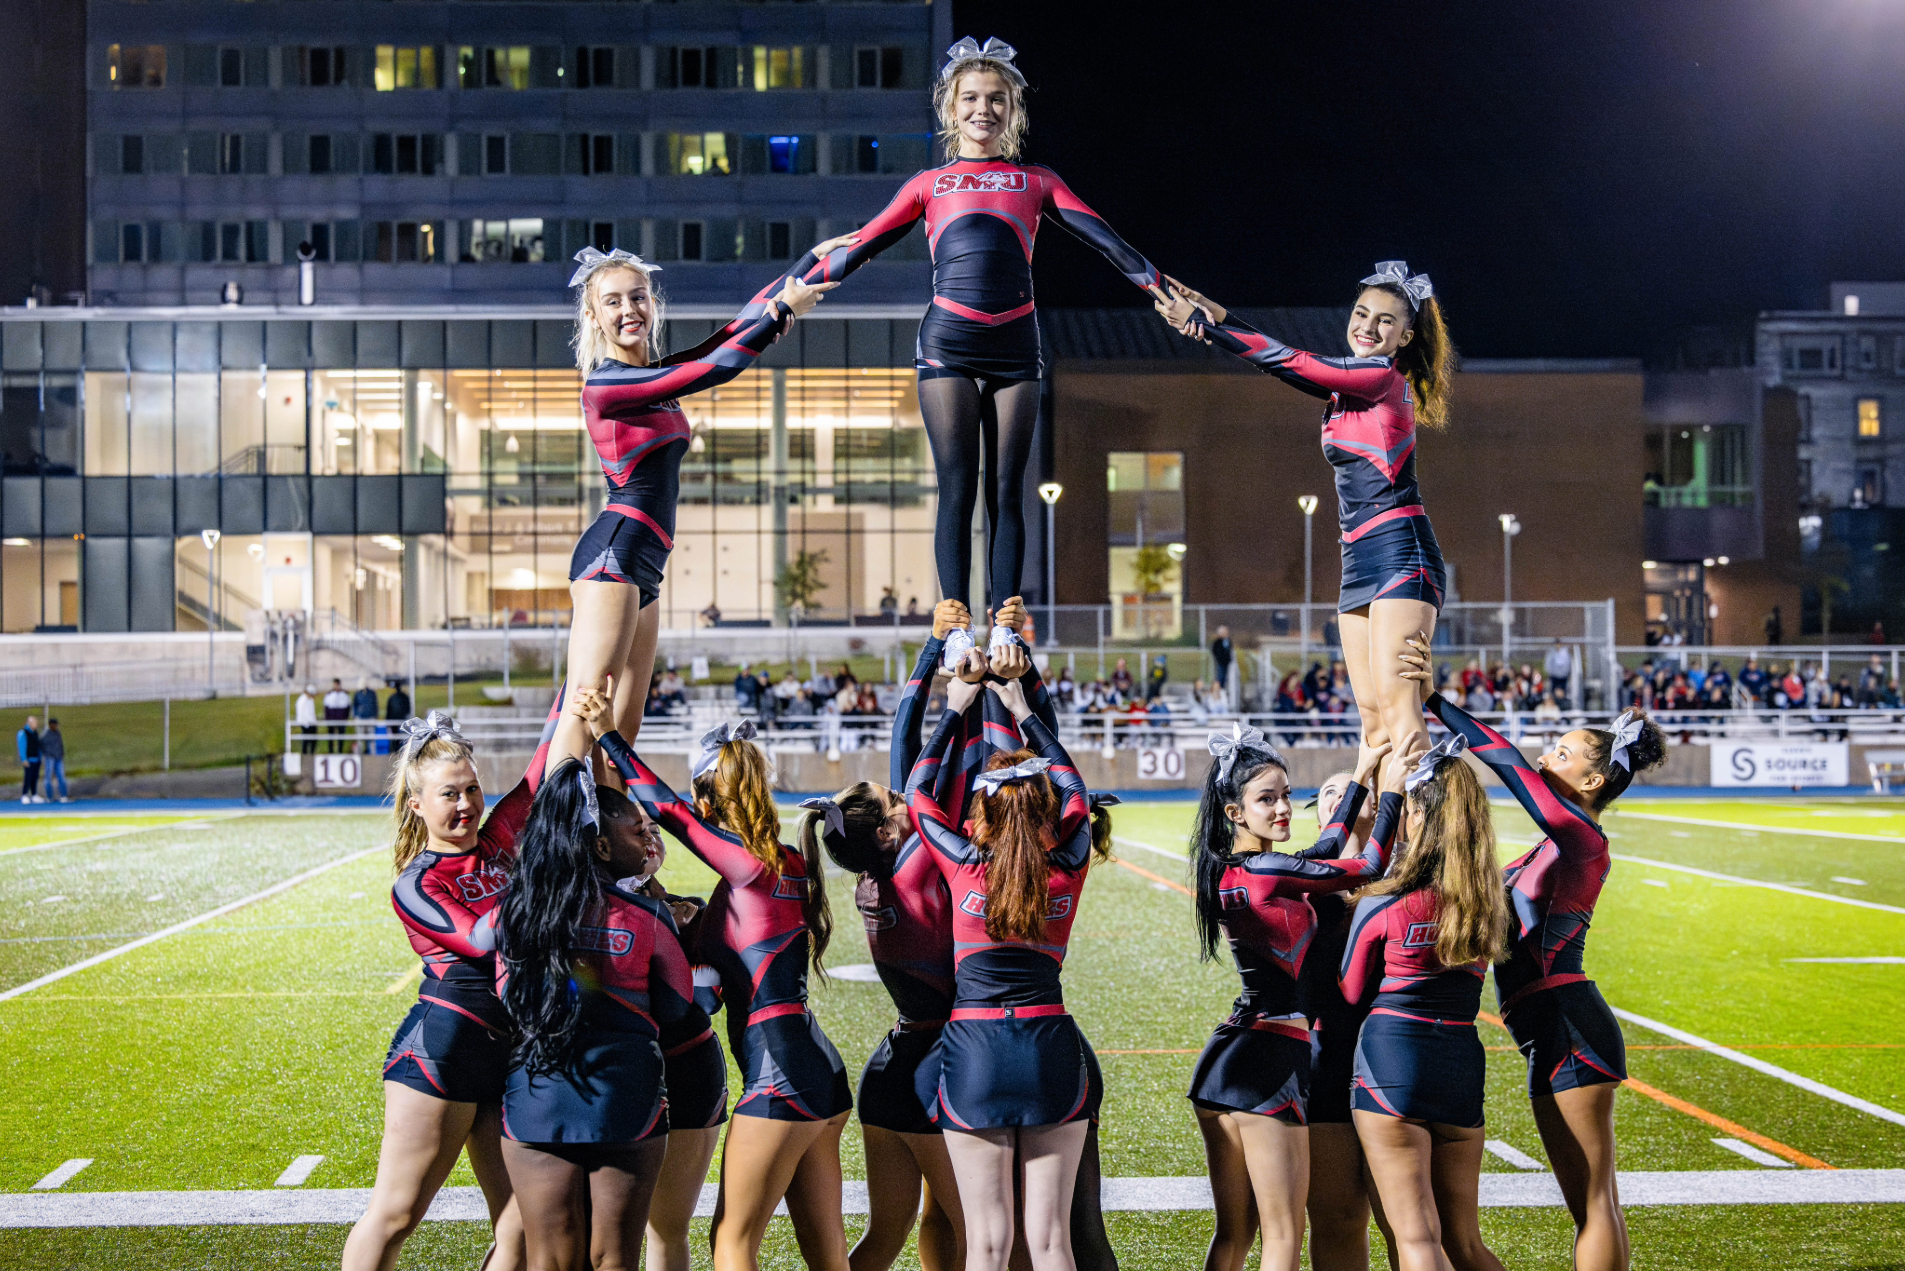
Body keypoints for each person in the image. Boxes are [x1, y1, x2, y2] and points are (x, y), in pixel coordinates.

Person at [782, 36, 1167, 667]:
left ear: (1013, 110)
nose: (982, 110)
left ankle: (1006, 626)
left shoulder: (1035, 181)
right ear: (950, 109)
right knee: (957, 484)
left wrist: (1161, 290)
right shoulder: (930, 183)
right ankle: (956, 623)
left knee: (1007, 488)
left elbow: (1108, 241)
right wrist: (802, 290)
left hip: (1017, 345)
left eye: (995, 100)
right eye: (970, 99)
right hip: (948, 345)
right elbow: (864, 245)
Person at [1401, 636, 1667, 1271]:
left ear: (1593, 780)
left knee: (1594, 1201)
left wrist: (1437, 702)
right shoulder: (1543, 853)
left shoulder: (1581, 838)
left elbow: (1510, 764)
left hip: (1569, 1025)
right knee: (1588, 1200)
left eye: (1564, 752)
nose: (1550, 755)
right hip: (1547, 1029)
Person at [539, 241, 844, 783]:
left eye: (638, 297)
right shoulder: (607, 385)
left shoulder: (650, 379)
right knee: (584, 716)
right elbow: (717, 367)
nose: (629, 310)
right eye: (613, 302)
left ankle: (606, 851)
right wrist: (784, 315)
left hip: (645, 564)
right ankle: (553, 851)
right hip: (614, 552)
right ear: (593, 315)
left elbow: (723, 338)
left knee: (618, 737)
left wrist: (805, 264)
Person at [1159, 263, 1453, 770]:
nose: (1367, 326)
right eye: (1361, 313)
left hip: (1401, 553)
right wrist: (1217, 311)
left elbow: (1292, 363)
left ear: (1405, 335)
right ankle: (1380, 845)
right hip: (1359, 562)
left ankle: (1431, 848)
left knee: (1402, 721)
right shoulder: (1354, 385)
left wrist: (1208, 326)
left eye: (1385, 321)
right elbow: (1295, 361)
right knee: (1375, 726)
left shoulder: (1379, 376)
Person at [601, 719, 851, 1271]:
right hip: (819, 1071)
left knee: (732, 1246)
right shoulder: (785, 861)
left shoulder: (745, 866)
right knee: (827, 1255)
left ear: (708, 800)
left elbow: (666, 811)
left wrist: (608, 739)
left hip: (779, 1073)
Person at [904, 665, 1097, 1271]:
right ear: (1043, 811)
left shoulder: (964, 866)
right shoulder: (1067, 864)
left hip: (977, 1050)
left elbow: (917, 795)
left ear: (981, 816)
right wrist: (1023, 709)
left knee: (987, 1244)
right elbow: (1078, 797)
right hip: (1050, 1045)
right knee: (1051, 1242)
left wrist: (955, 709)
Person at [1187, 731, 1401, 1271]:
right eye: (1267, 799)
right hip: (1271, 1057)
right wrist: (1391, 793)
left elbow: (1324, 849)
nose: (1283, 808)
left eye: (1286, 794)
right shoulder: (1266, 871)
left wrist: (1361, 769)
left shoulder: (1229, 868)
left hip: (1226, 1060)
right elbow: (1366, 866)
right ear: (1235, 810)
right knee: (1283, 1237)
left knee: (1233, 1236)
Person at [343, 712, 540, 1271]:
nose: (466, 805)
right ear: (417, 804)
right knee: (396, 1214)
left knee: (522, 1222)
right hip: (442, 1053)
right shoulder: (417, 881)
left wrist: (576, 694)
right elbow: (479, 940)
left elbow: (541, 770)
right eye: (449, 794)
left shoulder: (500, 842)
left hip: (509, 1051)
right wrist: (541, 889)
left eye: (473, 789)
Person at [492, 753, 695, 1271]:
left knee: (549, 1262)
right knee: (615, 1259)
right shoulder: (647, 915)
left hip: (537, 1096)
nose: (647, 843)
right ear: (600, 845)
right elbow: (676, 1006)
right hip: (625, 1097)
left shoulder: (520, 908)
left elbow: (504, 994)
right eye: (635, 833)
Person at [1339, 740, 1509, 1271]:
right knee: (1466, 1242)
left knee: (1415, 1238)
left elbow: (1348, 990)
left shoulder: (1384, 900)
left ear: (1415, 814)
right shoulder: (1485, 899)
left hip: (1393, 1061)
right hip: (1461, 1059)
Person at [1301, 769, 1396, 1271]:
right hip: (1327, 1058)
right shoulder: (1298, 882)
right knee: (1337, 1219)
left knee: (1405, 1223)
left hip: (1392, 1058)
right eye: (1328, 792)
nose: (1339, 795)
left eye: (1352, 788)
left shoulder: (1405, 877)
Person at [39, 717, 66, 803]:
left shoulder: (58, 733)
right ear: (50, 725)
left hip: (58, 758)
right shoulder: (46, 734)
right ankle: (49, 796)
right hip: (49, 757)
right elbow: (41, 745)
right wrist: (46, 754)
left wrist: (61, 754)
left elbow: (60, 744)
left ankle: (63, 795)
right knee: (48, 777)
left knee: (61, 777)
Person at [382, 679, 413, 755]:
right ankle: (401, 753)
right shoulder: (405, 697)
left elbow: (389, 711)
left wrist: (388, 722)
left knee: (395, 739)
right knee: (401, 739)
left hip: (395, 721)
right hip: (401, 720)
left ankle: (395, 753)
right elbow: (408, 709)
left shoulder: (393, 698)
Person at [16, 714, 41, 804]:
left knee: (35, 777)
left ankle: (34, 794)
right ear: (30, 723)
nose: (36, 724)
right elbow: (21, 746)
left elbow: (38, 746)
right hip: (28, 759)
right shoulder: (23, 733)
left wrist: (40, 757)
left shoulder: (35, 733)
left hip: (36, 759)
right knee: (28, 777)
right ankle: (24, 794)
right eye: (34, 722)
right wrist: (24, 759)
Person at [352, 679, 380, 755]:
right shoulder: (358, 694)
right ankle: (359, 755)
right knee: (360, 739)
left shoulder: (371, 693)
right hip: (360, 718)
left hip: (370, 718)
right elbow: (355, 705)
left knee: (371, 739)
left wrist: (375, 716)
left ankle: (373, 755)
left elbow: (375, 705)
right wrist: (355, 716)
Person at [322, 679, 351, 753]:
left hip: (341, 718)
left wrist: (345, 717)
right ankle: (331, 751)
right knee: (331, 736)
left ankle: (340, 751)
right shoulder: (329, 694)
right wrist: (327, 718)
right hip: (332, 718)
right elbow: (326, 707)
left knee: (341, 736)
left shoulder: (344, 695)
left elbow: (348, 707)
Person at [1210, 625, 1235, 700]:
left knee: (1226, 677)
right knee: (1220, 676)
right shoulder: (1217, 642)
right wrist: (1219, 657)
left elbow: (1230, 650)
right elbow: (1214, 650)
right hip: (1221, 662)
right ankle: (1219, 690)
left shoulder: (1228, 640)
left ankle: (1223, 689)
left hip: (1227, 662)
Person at [295, 684, 319, 756]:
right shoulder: (302, 700)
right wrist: (306, 724)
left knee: (313, 740)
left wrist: (314, 722)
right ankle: (305, 754)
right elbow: (301, 714)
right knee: (306, 740)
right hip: (305, 724)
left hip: (311, 723)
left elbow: (311, 713)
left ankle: (312, 753)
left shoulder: (310, 700)